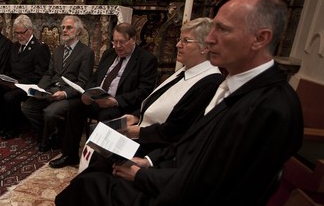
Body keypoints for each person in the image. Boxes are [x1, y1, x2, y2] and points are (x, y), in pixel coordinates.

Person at [53, 0, 304, 206]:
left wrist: (142, 176)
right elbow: (190, 147)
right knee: (101, 170)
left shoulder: (269, 109)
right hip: (180, 193)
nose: (209, 39)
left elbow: (207, 188)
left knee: (94, 185)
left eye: (222, 29)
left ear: (260, 38)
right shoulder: (242, 88)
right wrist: (147, 162)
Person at [49, 23, 157, 168]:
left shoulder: (146, 59)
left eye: (121, 42)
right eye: (114, 41)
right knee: (74, 108)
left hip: (121, 105)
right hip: (98, 100)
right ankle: (69, 155)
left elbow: (144, 91)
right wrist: (88, 93)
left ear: (133, 40)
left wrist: (115, 101)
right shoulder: (109, 54)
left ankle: (96, 162)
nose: (117, 46)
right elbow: (94, 77)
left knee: (106, 117)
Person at [122, 17, 223, 155]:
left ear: (205, 47)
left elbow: (179, 130)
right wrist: (136, 116)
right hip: (144, 135)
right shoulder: (185, 70)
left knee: (100, 161)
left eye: (186, 41)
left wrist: (138, 132)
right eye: (180, 39)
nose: (178, 45)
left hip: (158, 149)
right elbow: (158, 99)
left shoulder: (210, 82)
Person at [21, 16, 94, 152]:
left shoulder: (86, 53)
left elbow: (83, 82)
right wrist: (39, 89)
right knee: (27, 107)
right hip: (51, 90)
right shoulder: (58, 50)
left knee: (50, 113)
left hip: (71, 95)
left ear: (78, 32)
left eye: (69, 28)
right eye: (63, 28)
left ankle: (47, 140)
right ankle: (52, 134)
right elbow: (49, 74)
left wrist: (65, 93)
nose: (64, 30)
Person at [0, 15, 51, 140]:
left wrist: (19, 82)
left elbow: (39, 75)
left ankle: (12, 129)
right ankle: (1, 124)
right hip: (12, 82)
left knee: (9, 97)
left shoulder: (40, 48)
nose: (19, 36)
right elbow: (8, 68)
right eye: (16, 33)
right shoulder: (14, 46)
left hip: (28, 85)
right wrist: (2, 78)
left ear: (30, 30)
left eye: (22, 33)